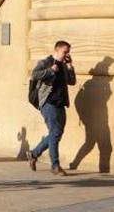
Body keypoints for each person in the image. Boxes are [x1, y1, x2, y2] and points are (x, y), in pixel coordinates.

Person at [27, 40, 76, 176]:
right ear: (57, 50)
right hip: (48, 103)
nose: (66, 55)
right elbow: (35, 75)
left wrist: (70, 65)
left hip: (61, 104)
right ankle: (55, 166)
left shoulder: (64, 65)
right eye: (64, 52)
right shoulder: (45, 62)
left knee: (56, 133)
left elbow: (72, 82)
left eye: (68, 53)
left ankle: (33, 154)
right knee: (55, 132)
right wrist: (50, 71)